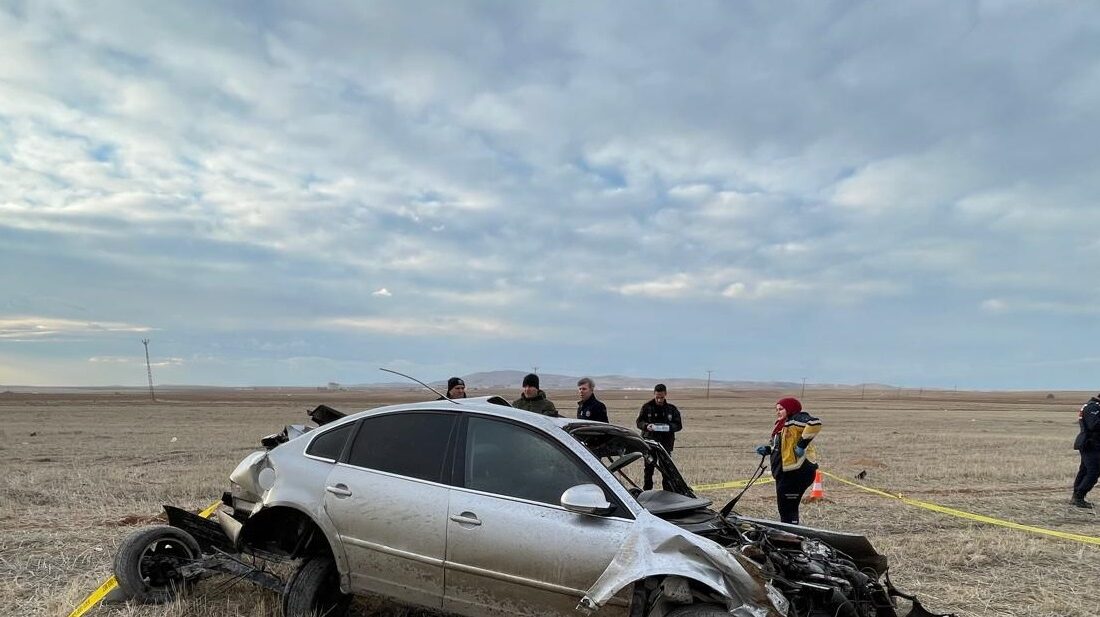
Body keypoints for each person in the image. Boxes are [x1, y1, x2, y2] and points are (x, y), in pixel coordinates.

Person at [755, 397, 821, 525]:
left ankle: (791, 536)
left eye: (781, 409)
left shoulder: (796, 418)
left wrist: (802, 445)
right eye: (777, 409)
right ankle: (789, 533)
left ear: (790, 409)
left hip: (796, 472)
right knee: (785, 508)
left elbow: (815, 423)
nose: (778, 412)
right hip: (785, 473)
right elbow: (783, 446)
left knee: (788, 509)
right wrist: (769, 449)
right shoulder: (782, 425)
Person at [635, 384, 683, 490]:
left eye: (661, 397)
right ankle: (647, 491)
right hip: (649, 443)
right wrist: (647, 426)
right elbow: (639, 422)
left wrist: (669, 427)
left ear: (665, 394)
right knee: (648, 469)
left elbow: (679, 425)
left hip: (665, 444)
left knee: (666, 469)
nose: (659, 399)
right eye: (657, 397)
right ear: (654, 394)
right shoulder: (647, 407)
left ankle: (667, 491)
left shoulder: (671, 409)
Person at [1072, 393, 1100, 508]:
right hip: (1090, 444)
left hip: (1094, 443)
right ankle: (1079, 496)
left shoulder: (1094, 406)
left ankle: (1076, 497)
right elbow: (1094, 425)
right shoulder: (1092, 407)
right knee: (1094, 471)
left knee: (1084, 470)